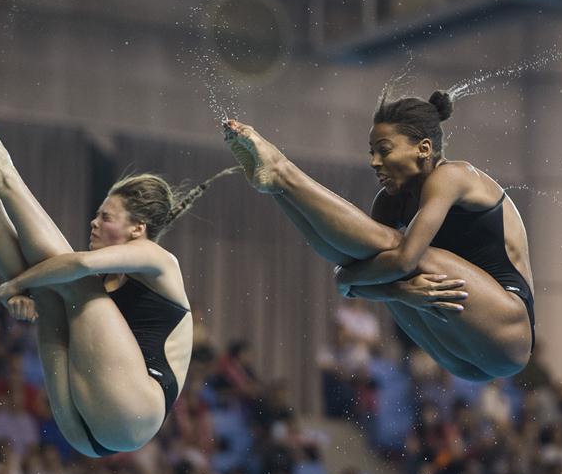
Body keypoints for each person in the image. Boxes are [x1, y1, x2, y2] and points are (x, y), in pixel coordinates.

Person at [0, 119, 235, 456]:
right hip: (87, 429)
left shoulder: (160, 260)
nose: (93, 222)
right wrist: (22, 293)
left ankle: (7, 177)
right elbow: (53, 274)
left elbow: (81, 264)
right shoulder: (104, 284)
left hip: (134, 410)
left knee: (68, 280)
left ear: (137, 229)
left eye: (106, 217)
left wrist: (14, 286)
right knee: (50, 289)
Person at [223, 89, 534, 380]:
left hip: (507, 334)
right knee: (377, 259)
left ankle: (284, 172)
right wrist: (390, 290)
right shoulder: (390, 202)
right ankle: (277, 187)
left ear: (423, 148)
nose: (374, 162)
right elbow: (354, 272)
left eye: (384, 150)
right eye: (372, 152)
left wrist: (353, 281)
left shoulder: (452, 176)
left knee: (402, 252)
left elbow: (393, 265)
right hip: (458, 357)